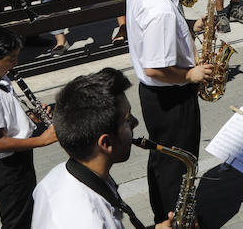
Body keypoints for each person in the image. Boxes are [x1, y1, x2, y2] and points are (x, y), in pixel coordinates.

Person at [126, 0, 211, 224]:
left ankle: (164, 217)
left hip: (154, 96)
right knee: (180, 164)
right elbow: (154, 67)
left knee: (162, 160)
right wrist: (191, 74)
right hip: (171, 97)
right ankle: (180, 220)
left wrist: (192, 27)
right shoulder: (159, 9)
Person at [32, 67, 173, 228]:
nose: (136, 123)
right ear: (105, 143)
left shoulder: (60, 174)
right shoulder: (90, 220)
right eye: (127, 120)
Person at [0, 27, 58, 229]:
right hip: (8, 166)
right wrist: (43, 140)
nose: (16, 64)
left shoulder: (1, 78)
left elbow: (7, 117)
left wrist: (31, 118)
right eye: (11, 59)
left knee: (26, 214)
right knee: (17, 221)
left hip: (19, 157)